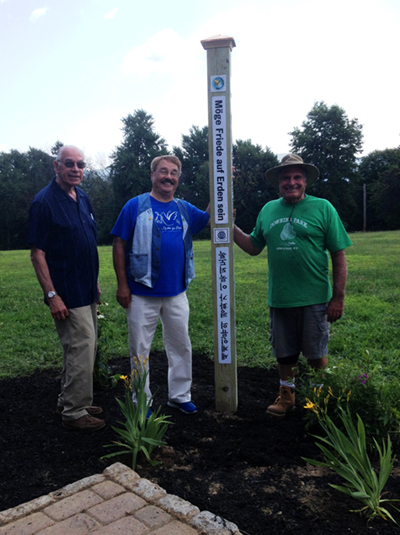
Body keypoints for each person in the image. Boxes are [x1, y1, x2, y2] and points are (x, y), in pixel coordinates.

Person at [234, 154, 352, 417]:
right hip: (281, 297)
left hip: (315, 297)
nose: (292, 182)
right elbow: (253, 247)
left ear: (305, 180)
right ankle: (286, 396)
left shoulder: (323, 208)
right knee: (285, 353)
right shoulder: (268, 210)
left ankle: (318, 398)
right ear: (279, 182)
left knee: (315, 353)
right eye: (286, 177)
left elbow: (338, 254)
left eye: (297, 177)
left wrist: (338, 297)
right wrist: (227, 225)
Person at [111, 155, 210, 414]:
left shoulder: (184, 208)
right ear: (152, 175)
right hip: (141, 292)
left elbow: (210, 216)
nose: (168, 176)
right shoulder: (135, 206)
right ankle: (141, 402)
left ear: (178, 178)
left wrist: (224, 184)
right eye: (163, 171)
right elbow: (119, 244)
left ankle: (179, 395)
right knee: (140, 350)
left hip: (176, 292)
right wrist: (123, 285)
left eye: (174, 172)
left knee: (181, 345)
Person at [28, 145, 104, 431]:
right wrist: (52, 295)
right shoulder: (44, 202)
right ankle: (74, 412)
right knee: (82, 347)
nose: (76, 169)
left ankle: (70, 398)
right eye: (69, 163)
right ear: (55, 166)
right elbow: (38, 254)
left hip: (86, 287)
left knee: (81, 348)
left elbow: (86, 243)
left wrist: (95, 281)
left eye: (81, 165)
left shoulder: (81, 197)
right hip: (66, 291)